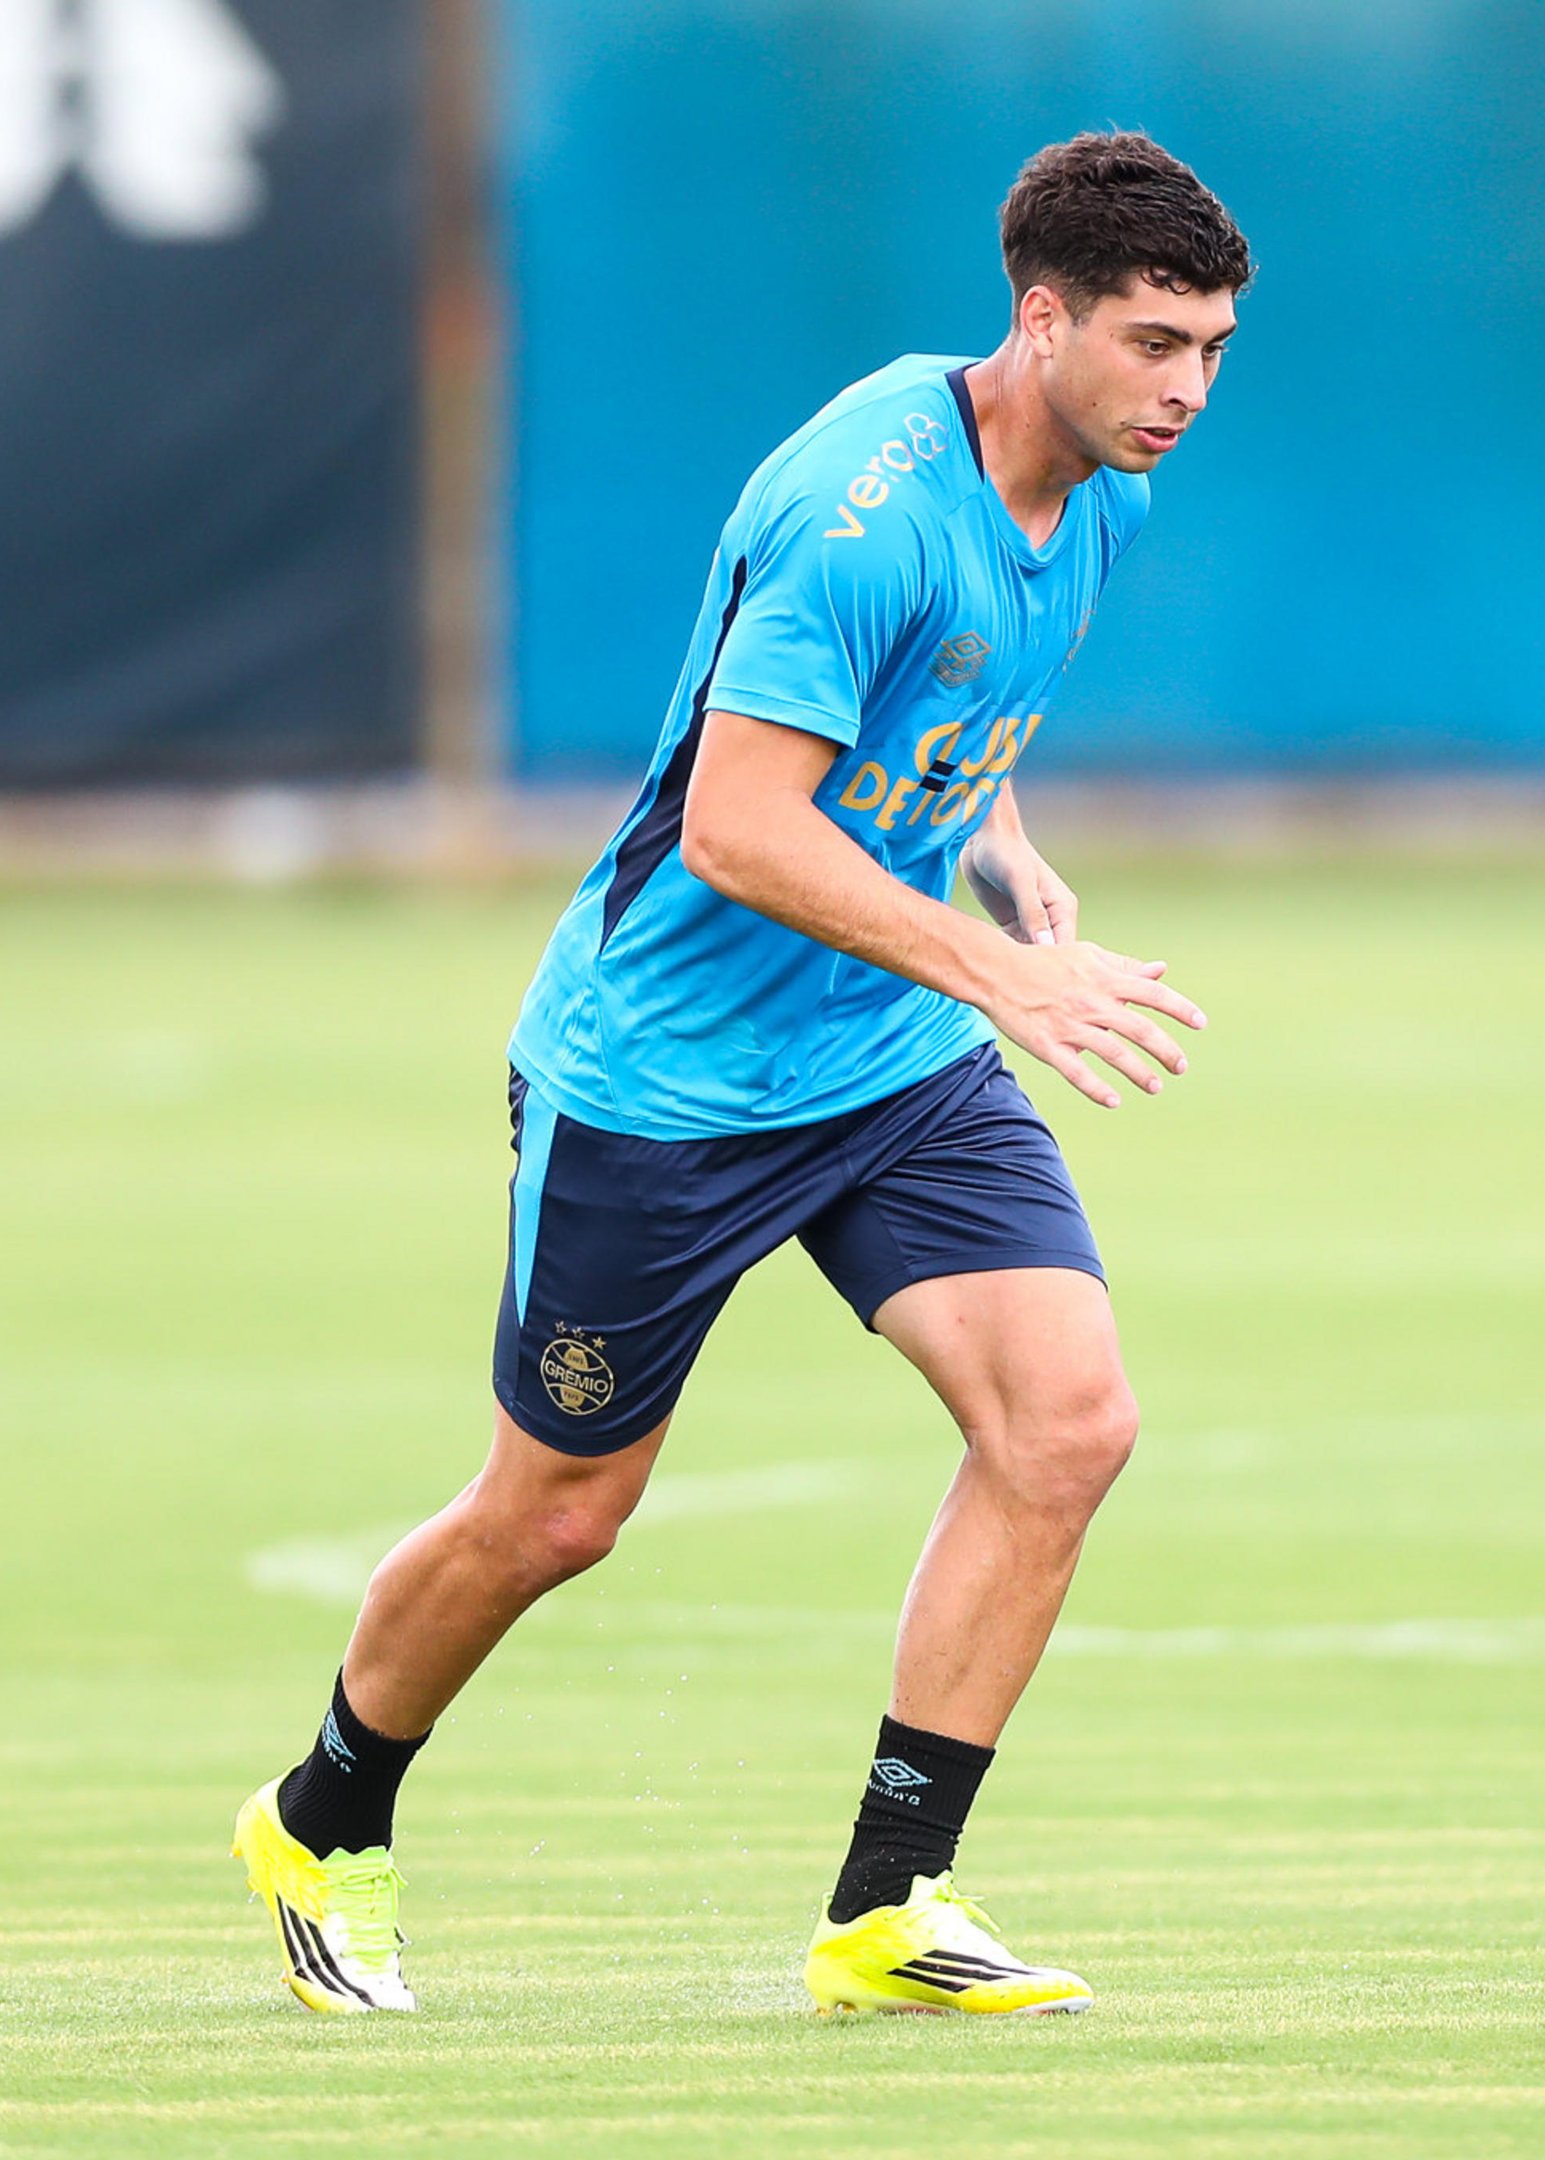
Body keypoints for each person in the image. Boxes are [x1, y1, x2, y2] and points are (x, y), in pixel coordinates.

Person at [233, 130, 1251, 2017]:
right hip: (667, 1080)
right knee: (557, 1516)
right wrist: (1006, 975)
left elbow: (944, 697)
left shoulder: (1096, 486)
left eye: (1210, 350)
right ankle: (323, 1819)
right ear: (1041, 320)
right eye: (1153, 342)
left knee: (1066, 1425)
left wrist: (996, 839)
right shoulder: (862, 514)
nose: (1186, 389)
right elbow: (736, 824)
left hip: (887, 1051)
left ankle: (889, 1907)